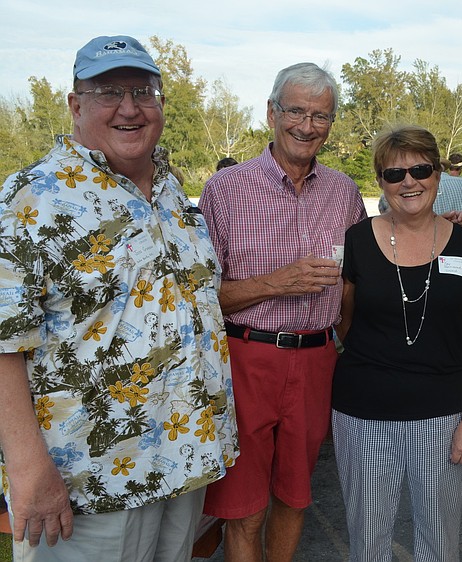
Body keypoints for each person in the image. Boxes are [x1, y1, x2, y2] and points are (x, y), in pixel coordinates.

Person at [0, 35, 238, 562]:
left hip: (183, 458)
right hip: (88, 480)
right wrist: (28, 468)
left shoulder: (172, 193)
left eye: (143, 91)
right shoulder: (30, 198)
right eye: (109, 91)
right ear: (75, 103)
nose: (130, 107)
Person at [199, 62, 367, 562]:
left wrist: (429, 226)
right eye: (295, 111)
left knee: (294, 497)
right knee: (244, 508)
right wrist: (277, 283)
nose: (306, 126)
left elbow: (366, 271)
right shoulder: (226, 190)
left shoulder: (344, 192)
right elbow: (198, 295)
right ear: (272, 112)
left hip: (316, 361)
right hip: (246, 356)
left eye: (320, 116)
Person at [332, 125, 462, 562]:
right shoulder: (357, 241)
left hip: (441, 417)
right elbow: (346, 322)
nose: (409, 182)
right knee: (368, 538)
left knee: (439, 541)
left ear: (438, 174)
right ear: (380, 182)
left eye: (420, 169)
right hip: (363, 413)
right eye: (394, 173)